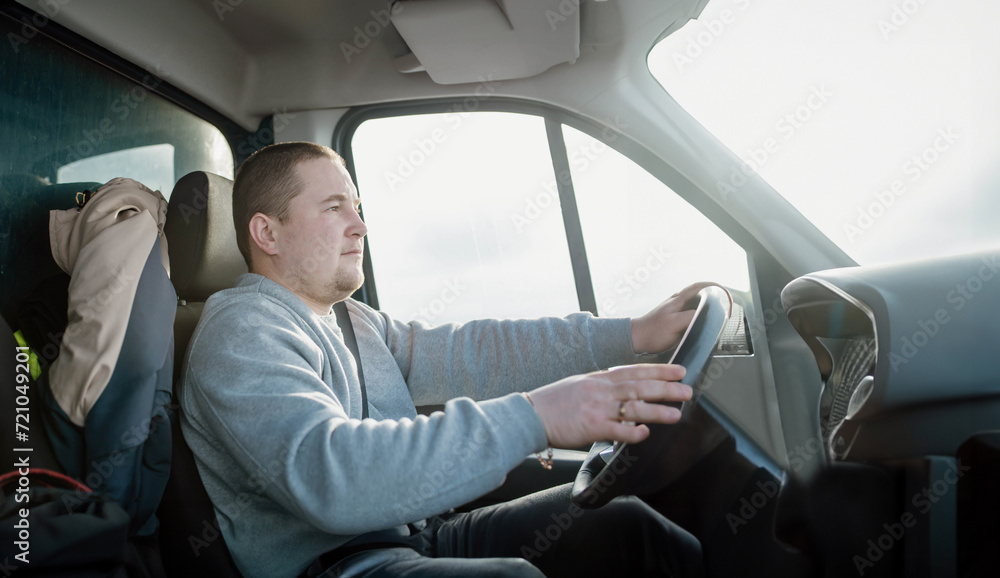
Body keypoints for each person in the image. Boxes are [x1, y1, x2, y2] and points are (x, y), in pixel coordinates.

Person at [179, 142, 709, 578]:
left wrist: (633, 334)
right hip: (339, 566)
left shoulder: (353, 320)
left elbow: (475, 352)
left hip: (419, 536)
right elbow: (331, 477)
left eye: (357, 207)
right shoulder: (240, 333)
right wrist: (538, 416)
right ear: (267, 233)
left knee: (626, 527)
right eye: (334, 207)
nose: (360, 226)